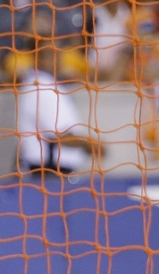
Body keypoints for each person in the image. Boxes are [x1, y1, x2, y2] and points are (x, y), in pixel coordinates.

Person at [17, 10, 104, 174]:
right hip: (46, 170)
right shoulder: (40, 86)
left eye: (57, 54)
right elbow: (60, 135)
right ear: (37, 58)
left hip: (52, 169)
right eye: (50, 55)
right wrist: (92, 146)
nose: (56, 59)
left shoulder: (45, 83)